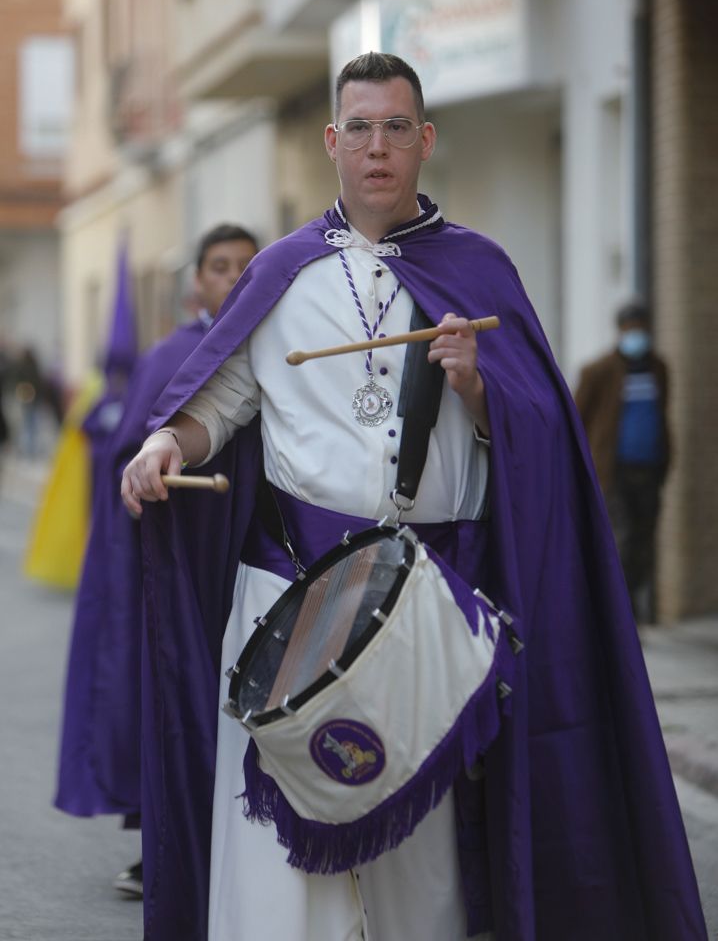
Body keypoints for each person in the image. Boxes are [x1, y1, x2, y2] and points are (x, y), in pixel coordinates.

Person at [122, 54, 707, 941]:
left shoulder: (477, 270)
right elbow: (219, 406)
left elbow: (541, 443)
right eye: (359, 128)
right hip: (287, 597)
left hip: (420, 604)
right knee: (283, 870)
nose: (377, 147)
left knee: (421, 869)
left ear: (426, 139)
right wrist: (166, 441)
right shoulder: (280, 273)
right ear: (332, 142)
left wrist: (477, 389)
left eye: (397, 127)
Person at [55, 224, 259, 899]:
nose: (232, 278)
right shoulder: (170, 355)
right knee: (175, 690)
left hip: (252, 554)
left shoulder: (275, 342)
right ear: (196, 281)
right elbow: (125, 456)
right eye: (220, 266)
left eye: (244, 267)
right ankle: (163, 843)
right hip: (183, 554)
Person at [575, 300, 671, 622]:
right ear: (620, 332)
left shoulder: (658, 368)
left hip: (650, 468)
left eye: (641, 329)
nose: (637, 336)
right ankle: (621, 617)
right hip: (613, 472)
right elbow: (578, 419)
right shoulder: (598, 371)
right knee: (622, 540)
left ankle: (628, 610)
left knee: (644, 541)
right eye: (631, 330)